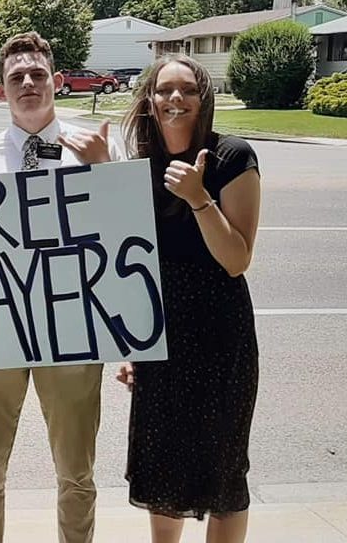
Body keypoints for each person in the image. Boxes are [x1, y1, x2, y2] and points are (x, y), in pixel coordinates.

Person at [0, 31, 115, 543]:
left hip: (72, 331)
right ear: (1, 91)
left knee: (76, 471)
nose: (27, 84)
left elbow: (126, 239)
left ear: (57, 82)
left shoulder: (94, 148)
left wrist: (105, 172)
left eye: (37, 75)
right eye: (16, 77)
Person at [117, 54, 260, 543]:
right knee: (162, 462)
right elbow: (129, 266)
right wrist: (132, 343)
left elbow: (237, 258)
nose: (175, 99)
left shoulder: (232, 157)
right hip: (162, 335)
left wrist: (200, 199)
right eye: (164, 90)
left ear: (204, 99)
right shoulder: (141, 167)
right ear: (150, 101)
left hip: (221, 334)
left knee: (222, 468)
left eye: (187, 90)